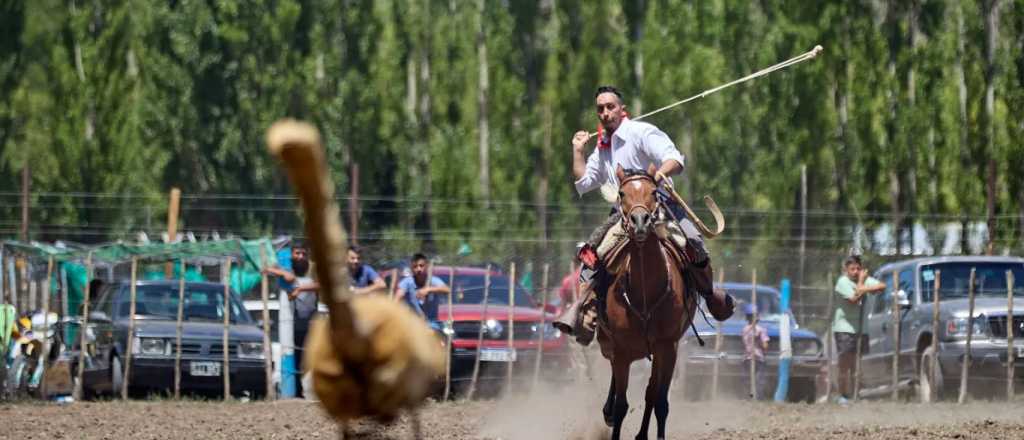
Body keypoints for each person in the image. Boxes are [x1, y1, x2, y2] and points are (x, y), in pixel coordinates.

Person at [553, 85, 734, 345]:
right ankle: (585, 310)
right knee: (592, 255)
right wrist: (578, 150)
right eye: (600, 109)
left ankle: (708, 296)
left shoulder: (641, 131)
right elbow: (584, 182)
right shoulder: (603, 145)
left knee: (694, 244)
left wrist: (658, 175)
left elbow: (675, 159)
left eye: (610, 107)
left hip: (661, 207)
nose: (605, 112)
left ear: (621, 109)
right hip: (623, 214)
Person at [263, 242, 319, 397]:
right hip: (292, 323)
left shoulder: (312, 269)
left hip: (311, 320)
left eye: (303, 253)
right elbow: (287, 276)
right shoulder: (287, 268)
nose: (300, 257)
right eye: (297, 253)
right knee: (295, 356)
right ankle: (298, 391)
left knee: (311, 356)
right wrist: (273, 269)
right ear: (291, 255)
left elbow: (320, 285)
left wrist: (300, 289)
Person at [832, 255, 886, 405]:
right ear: (846, 270)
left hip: (861, 329)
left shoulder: (864, 280)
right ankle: (842, 395)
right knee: (845, 364)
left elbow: (881, 286)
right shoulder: (842, 282)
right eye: (852, 269)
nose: (856, 272)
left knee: (856, 364)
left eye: (858, 268)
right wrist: (862, 284)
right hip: (845, 328)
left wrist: (864, 286)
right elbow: (854, 299)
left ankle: (856, 394)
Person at [397, 253, 451, 329]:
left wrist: (428, 289)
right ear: (412, 269)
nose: (419, 269)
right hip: (413, 323)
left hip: (432, 323)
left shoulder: (433, 280)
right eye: (415, 267)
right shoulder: (407, 282)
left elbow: (447, 289)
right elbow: (397, 297)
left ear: (426, 267)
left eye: (421, 266)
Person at [741, 303, 769, 400]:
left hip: (747, 358)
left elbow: (744, 344)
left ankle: (748, 397)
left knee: (747, 380)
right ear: (757, 317)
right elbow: (765, 345)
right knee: (759, 381)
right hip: (758, 358)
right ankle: (758, 398)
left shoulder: (744, 330)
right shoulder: (761, 330)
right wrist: (764, 347)